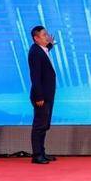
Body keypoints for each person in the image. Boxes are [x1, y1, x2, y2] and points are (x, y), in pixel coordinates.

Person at [28, 25, 58, 164]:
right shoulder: (35, 52)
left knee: (44, 125)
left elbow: (46, 51)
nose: (47, 36)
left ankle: (42, 152)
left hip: (47, 94)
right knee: (39, 125)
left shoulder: (41, 49)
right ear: (36, 38)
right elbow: (35, 77)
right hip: (41, 96)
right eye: (44, 35)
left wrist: (50, 44)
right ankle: (37, 155)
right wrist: (39, 96)